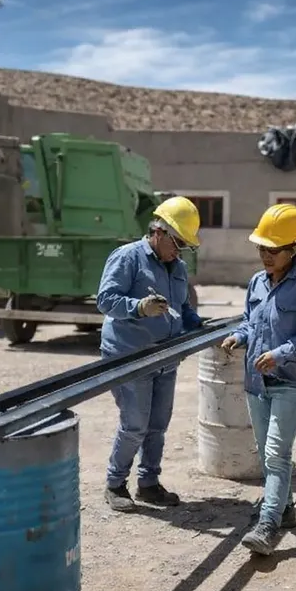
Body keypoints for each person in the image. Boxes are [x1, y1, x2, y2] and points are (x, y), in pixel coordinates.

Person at [220, 203, 296, 556]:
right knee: (269, 456)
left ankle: (266, 525)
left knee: (276, 454)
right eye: (261, 248)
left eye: (273, 249)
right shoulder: (256, 282)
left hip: (291, 381)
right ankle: (283, 508)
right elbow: (251, 322)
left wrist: (281, 354)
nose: (265, 255)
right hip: (257, 382)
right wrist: (240, 336)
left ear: (293, 249)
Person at [96, 196, 204, 512]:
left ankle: (149, 483)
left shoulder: (178, 267)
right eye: (177, 242)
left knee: (157, 424)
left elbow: (182, 306)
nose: (179, 250)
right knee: (134, 425)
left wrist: (194, 323)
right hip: (129, 355)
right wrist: (139, 308)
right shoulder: (128, 258)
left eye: (185, 245)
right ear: (159, 230)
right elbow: (105, 300)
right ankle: (115, 484)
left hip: (165, 357)